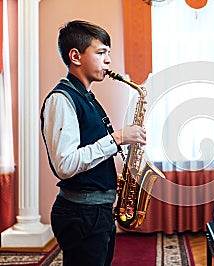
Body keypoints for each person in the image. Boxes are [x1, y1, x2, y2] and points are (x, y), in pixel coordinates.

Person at [40, 20, 146, 266]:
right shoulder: (61, 99)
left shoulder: (87, 97)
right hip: (82, 215)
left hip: (95, 212)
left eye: (108, 53)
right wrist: (118, 138)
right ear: (75, 56)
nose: (108, 60)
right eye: (101, 53)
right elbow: (65, 165)